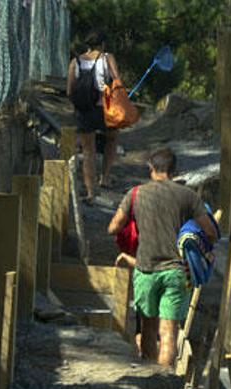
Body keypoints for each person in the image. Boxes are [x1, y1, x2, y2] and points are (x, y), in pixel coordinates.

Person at [108, 148, 217, 367]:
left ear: (150, 168)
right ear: (175, 170)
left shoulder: (136, 194)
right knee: (169, 332)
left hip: (145, 270)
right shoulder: (188, 196)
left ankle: (151, 382)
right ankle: (166, 382)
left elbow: (112, 227)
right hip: (176, 272)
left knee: (148, 328)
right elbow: (211, 232)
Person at [66, 31, 121, 203]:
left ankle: (91, 192)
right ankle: (104, 177)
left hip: (85, 110)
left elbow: (69, 91)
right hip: (105, 108)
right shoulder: (107, 58)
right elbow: (117, 80)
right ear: (103, 44)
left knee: (88, 150)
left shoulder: (75, 62)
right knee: (111, 139)